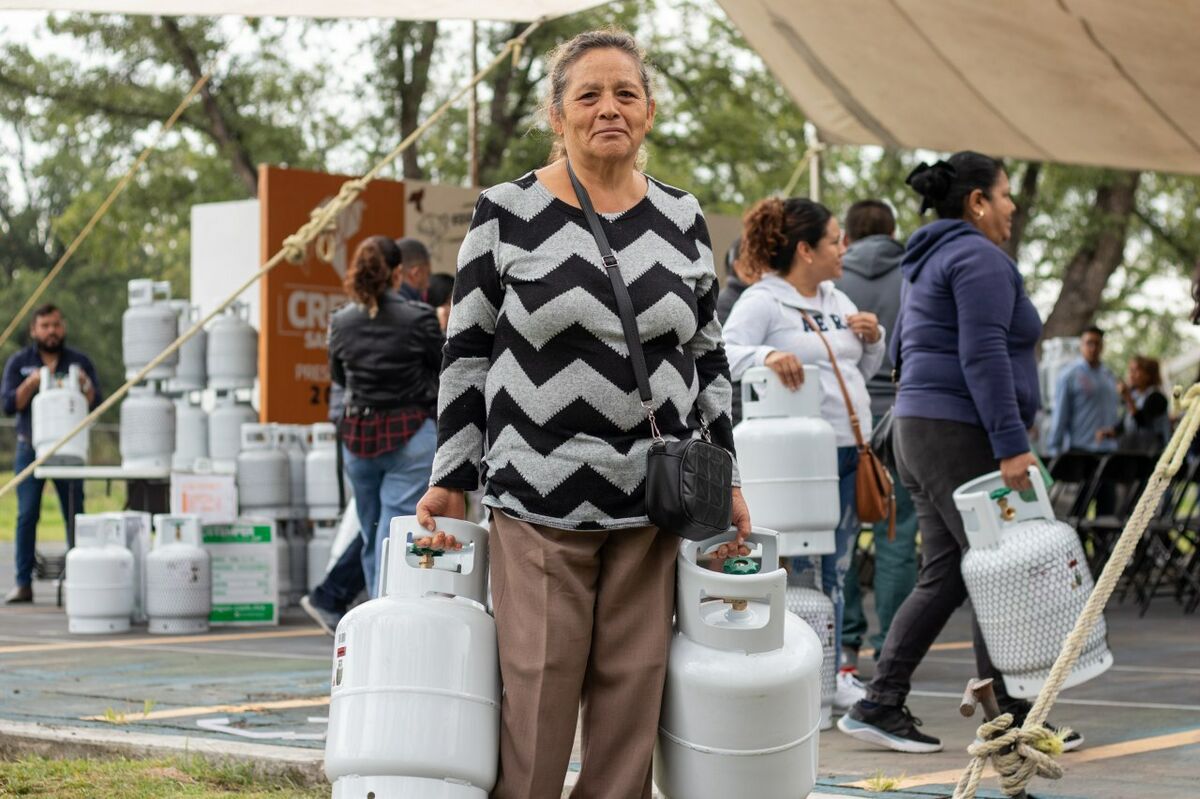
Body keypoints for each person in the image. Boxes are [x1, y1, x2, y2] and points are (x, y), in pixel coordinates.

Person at [414, 29, 749, 799]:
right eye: (588, 95)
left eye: (625, 93)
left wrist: (726, 478)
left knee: (632, 704)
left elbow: (708, 361)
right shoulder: (507, 211)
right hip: (539, 500)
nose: (609, 108)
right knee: (537, 699)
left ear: (649, 111)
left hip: (652, 503)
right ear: (556, 115)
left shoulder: (682, 216)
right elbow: (464, 353)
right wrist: (451, 476)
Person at [839, 152, 1081, 754]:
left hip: (919, 429)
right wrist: (1011, 444)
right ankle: (1013, 720)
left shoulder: (927, 261)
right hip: (957, 431)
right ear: (977, 201)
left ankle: (880, 701)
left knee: (948, 573)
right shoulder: (979, 258)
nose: (1011, 207)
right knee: (1000, 572)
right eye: (1003, 195)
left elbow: (903, 347)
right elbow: (983, 354)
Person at [723, 196, 885, 718]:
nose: (844, 248)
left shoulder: (838, 300)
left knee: (837, 566)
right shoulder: (763, 301)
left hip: (847, 450)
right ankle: (801, 676)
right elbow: (722, 351)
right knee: (804, 566)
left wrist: (873, 339)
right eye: (835, 240)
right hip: (795, 465)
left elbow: (864, 368)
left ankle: (829, 672)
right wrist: (766, 355)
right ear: (804, 250)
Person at [328, 235, 443, 597]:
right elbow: (442, 369)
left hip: (358, 438)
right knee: (394, 531)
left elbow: (339, 378)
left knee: (371, 531)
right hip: (410, 434)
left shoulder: (341, 322)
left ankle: (376, 609)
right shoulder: (419, 317)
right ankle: (385, 608)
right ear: (398, 274)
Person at [834, 199, 919, 672]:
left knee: (841, 534)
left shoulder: (831, 278)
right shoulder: (914, 275)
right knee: (897, 535)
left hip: (846, 422)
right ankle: (893, 646)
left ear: (846, 234)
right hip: (901, 419)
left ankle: (845, 642)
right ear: (892, 231)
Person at [1, 304, 102, 604]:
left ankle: (79, 576)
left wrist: (85, 387)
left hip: (69, 447)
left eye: (56, 325)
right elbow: (8, 404)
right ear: (34, 329)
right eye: (45, 325)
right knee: (27, 513)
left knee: (75, 512)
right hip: (30, 446)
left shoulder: (79, 362)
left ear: (63, 326)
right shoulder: (20, 362)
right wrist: (30, 384)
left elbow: (97, 401)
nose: (51, 331)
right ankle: (23, 582)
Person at [1047, 326, 1120, 456]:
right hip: (1081, 450)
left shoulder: (1108, 376)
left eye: (1097, 344)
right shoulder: (1069, 376)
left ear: (1102, 346)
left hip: (1109, 449)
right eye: (1089, 343)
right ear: (1081, 345)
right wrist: (1054, 449)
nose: (1093, 348)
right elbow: (1060, 414)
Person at [1105, 356, 1171, 454]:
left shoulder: (1156, 397)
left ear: (1148, 375)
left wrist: (1128, 397)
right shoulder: (1135, 396)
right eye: (1130, 370)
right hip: (1136, 451)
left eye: (1135, 371)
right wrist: (1111, 431)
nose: (1131, 375)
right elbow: (1127, 424)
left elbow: (1143, 421)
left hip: (1153, 453)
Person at [394, 236, 432, 302]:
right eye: (428, 274)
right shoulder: (417, 309)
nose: (428, 285)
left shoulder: (376, 300)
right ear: (416, 273)